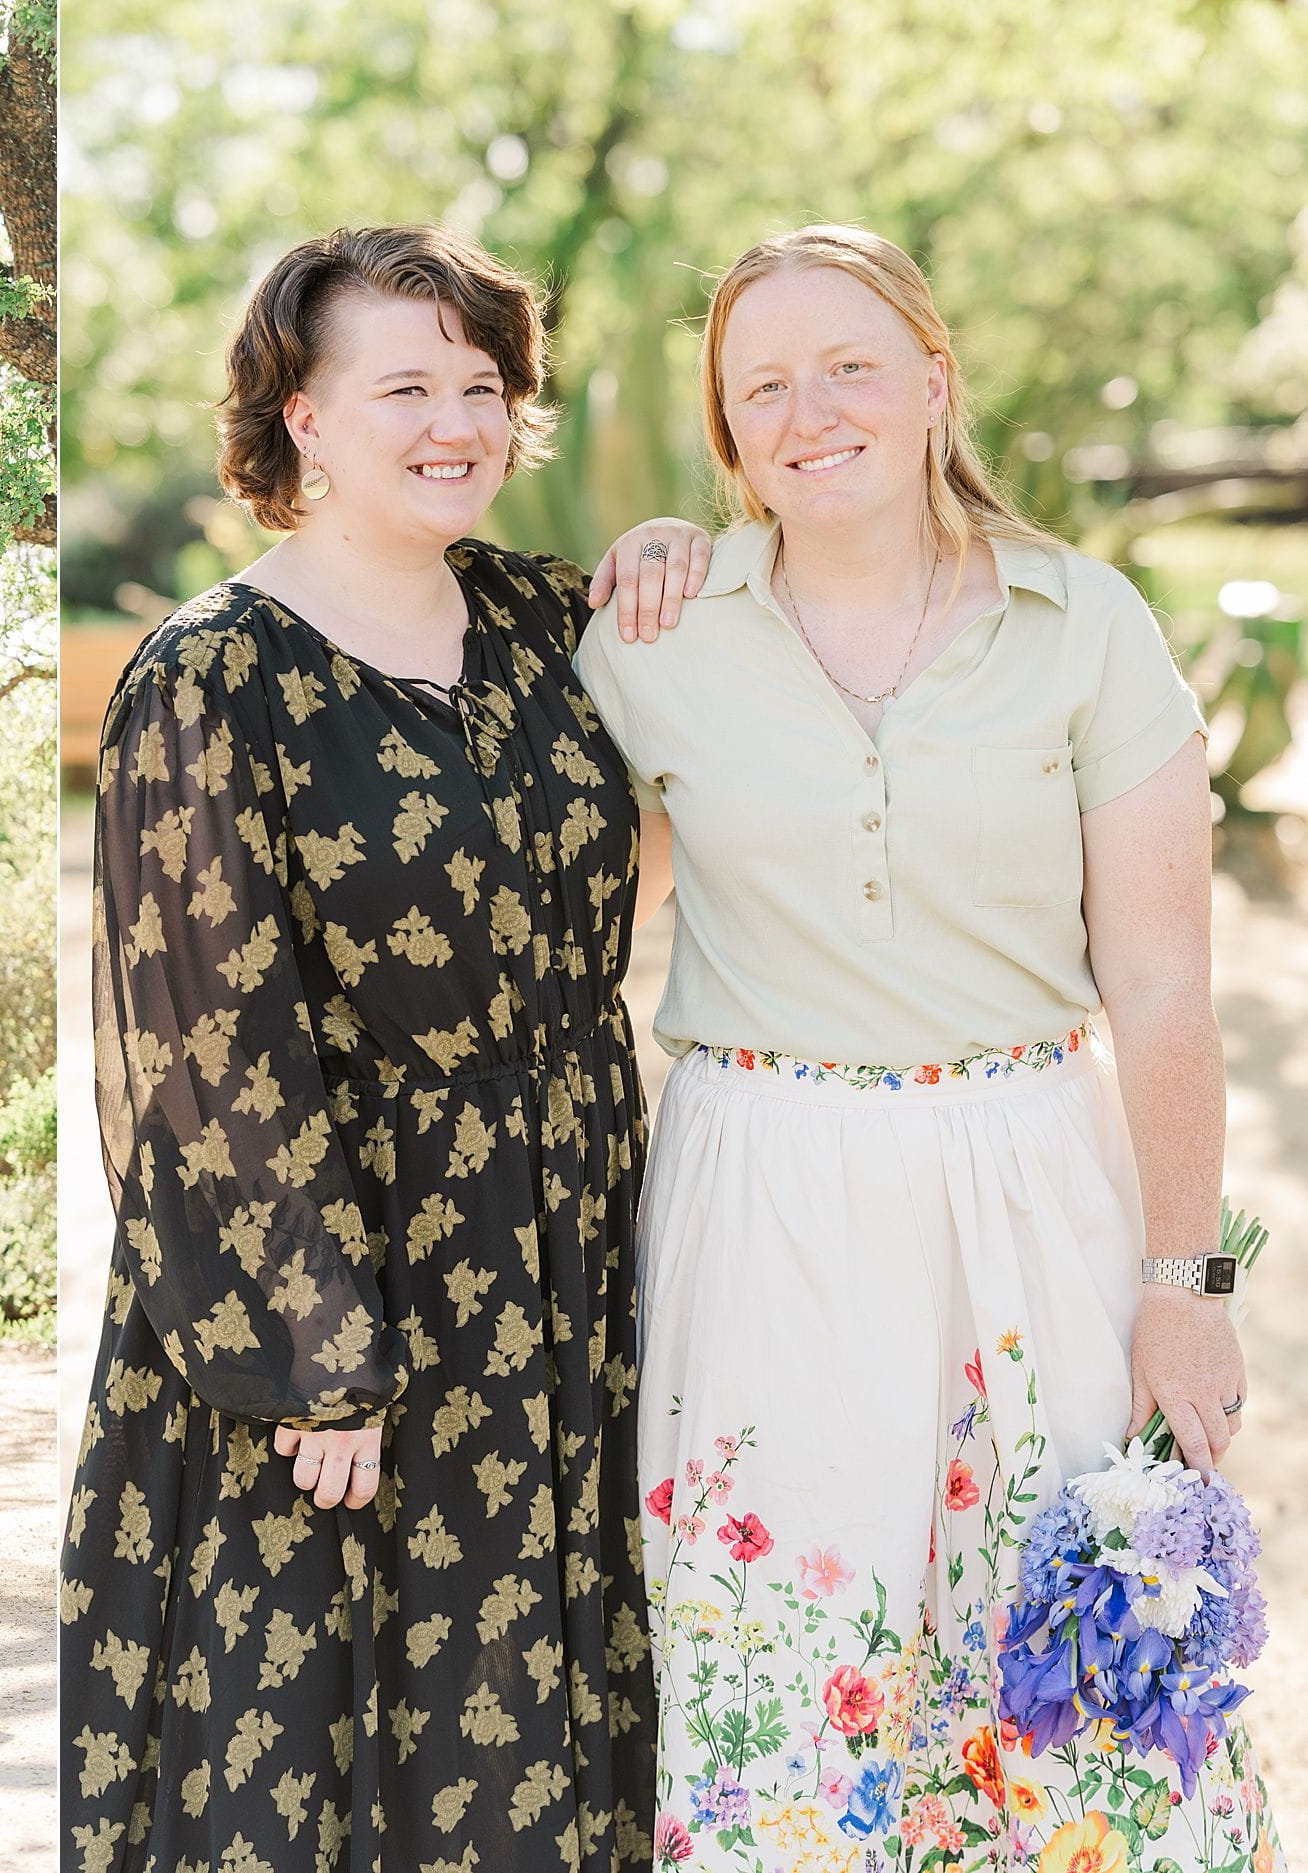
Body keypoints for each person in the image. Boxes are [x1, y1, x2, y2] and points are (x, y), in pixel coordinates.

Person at [574, 225, 1281, 1865]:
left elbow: (1166, 984)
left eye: (850, 364)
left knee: (1079, 1658)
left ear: (934, 382)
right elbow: (571, 917)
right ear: (728, 431)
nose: (811, 408)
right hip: (765, 1192)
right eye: (765, 384)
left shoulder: (1083, 622)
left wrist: (1186, 1285)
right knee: (786, 1650)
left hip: (1034, 1172)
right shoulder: (648, 641)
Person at [60, 224, 711, 1872]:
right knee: (329, 1719)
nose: (456, 421)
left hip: (562, 1248)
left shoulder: (543, 625)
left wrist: (662, 545)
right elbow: (204, 1037)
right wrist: (315, 1355)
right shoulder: (211, 676)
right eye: (404, 383)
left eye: (481, 385)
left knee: (534, 1701)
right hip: (336, 1284)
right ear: (303, 416)